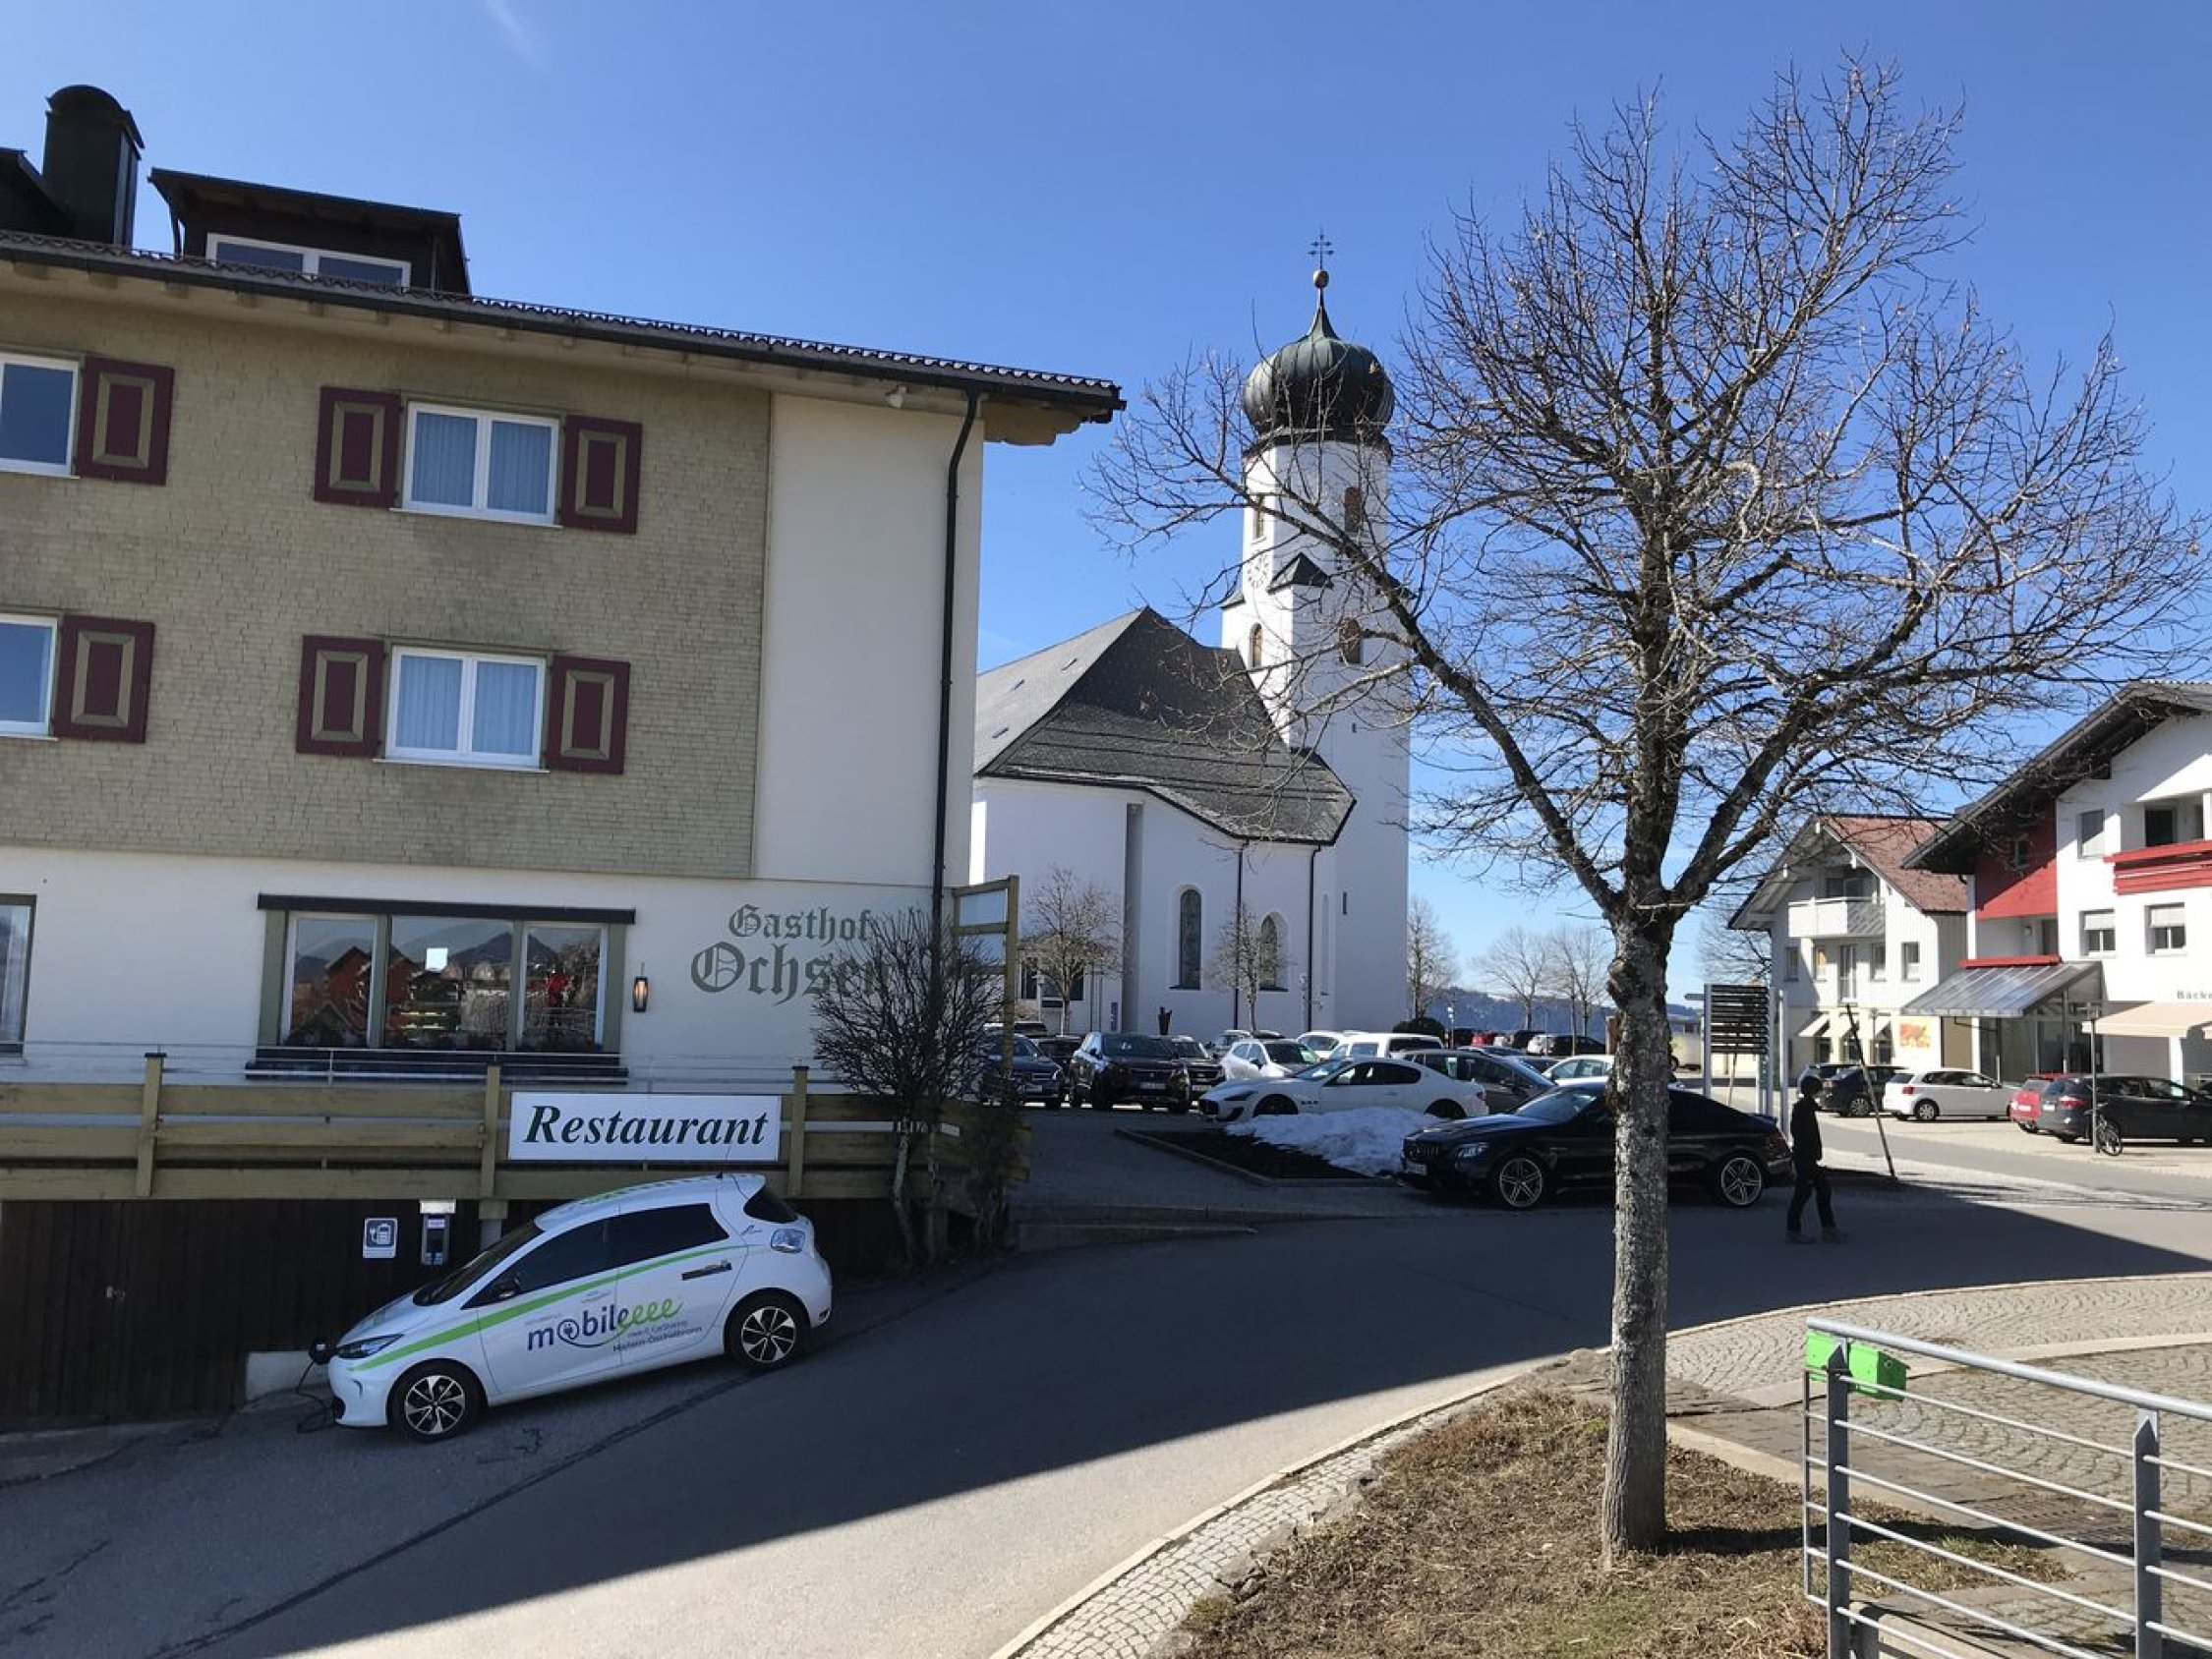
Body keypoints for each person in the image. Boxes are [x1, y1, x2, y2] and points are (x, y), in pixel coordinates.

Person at [1786, 1073, 1844, 1243]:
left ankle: (1828, 1228)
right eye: (1818, 1090)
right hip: (1805, 1158)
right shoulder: (1803, 1109)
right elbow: (1804, 1134)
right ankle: (1794, 1230)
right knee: (1803, 1194)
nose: (1821, 1094)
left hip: (1807, 1157)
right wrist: (1812, 1152)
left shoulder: (1806, 1107)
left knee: (1822, 1190)